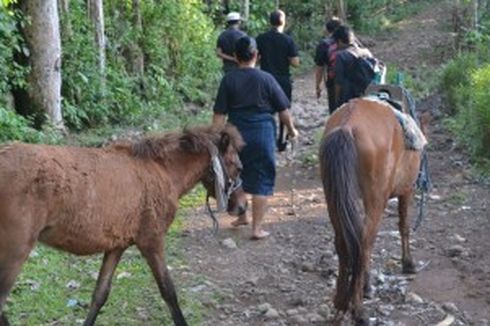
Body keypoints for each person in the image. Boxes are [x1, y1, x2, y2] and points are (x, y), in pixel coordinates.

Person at [212, 36, 298, 240]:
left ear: (234, 56)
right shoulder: (267, 79)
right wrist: (292, 130)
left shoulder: (229, 79)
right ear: (257, 56)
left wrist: (216, 139)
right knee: (262, 179)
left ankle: (242, 216)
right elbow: (283, 111)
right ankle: (256, 229)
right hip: (262, 134)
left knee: (236, 175)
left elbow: (219, 116)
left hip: (236, 135)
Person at [256, 10, 300, 151]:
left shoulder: (261, 39)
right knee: (283, 109)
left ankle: (266, 139)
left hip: (264, 79)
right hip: (282, 79)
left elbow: (255, 59)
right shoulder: (288, 40)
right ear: (283, 21)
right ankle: (282, 141)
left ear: (270, 21)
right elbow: (295, 62)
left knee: (265, 111)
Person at [332, 25, 374, 110]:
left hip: (349, 96)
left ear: (339, 41)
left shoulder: (341, 56)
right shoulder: (366, 52)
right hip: (368, 94)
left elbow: (338, 82)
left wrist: (336, 100)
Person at [314, 17, 342, 114]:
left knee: (335, 109)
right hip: (352, 80)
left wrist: (318, 85)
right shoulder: (350, 41)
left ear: (327, 30)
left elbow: (320, 68)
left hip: (333, 81)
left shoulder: (324, 45)